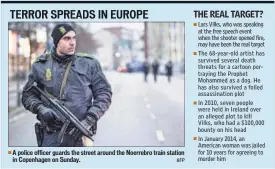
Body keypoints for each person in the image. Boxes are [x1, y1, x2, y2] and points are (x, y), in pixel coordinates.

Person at [21, 23, 112, 147]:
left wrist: (89, 119)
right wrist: (40, 109)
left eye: (74, 38)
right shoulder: (41, 65)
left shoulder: (89, 64)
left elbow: (104, 94)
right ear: (56, 42)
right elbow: (28, 96)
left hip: (81, 135)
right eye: (67, 38)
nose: (72, 42)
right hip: (51, 136)